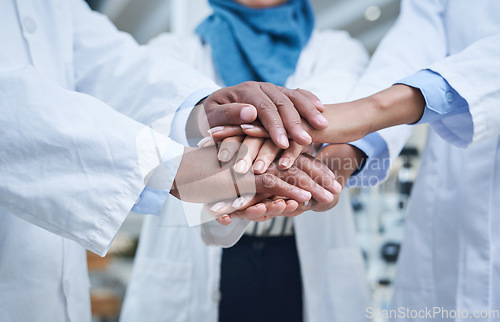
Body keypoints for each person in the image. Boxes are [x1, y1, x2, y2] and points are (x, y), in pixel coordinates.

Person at [0, 1, 337, 321]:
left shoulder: (335, 48)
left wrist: (203, 107)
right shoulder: (178, 46)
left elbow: (107, 63)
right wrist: (176, 168)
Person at [220, 0, 500, 320]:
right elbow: (418, 38)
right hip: (219, 245)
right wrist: (350, 145)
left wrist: (367, 116)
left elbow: (323, 117)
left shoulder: (337, 49)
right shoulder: (174, 52)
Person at [121, 1, 371, 322]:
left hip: (297, 254)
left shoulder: (338, 49)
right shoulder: (173, 50)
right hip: (202, 255)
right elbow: (158, 116)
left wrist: (243, 133)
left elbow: (325, 110)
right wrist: (282, 134)